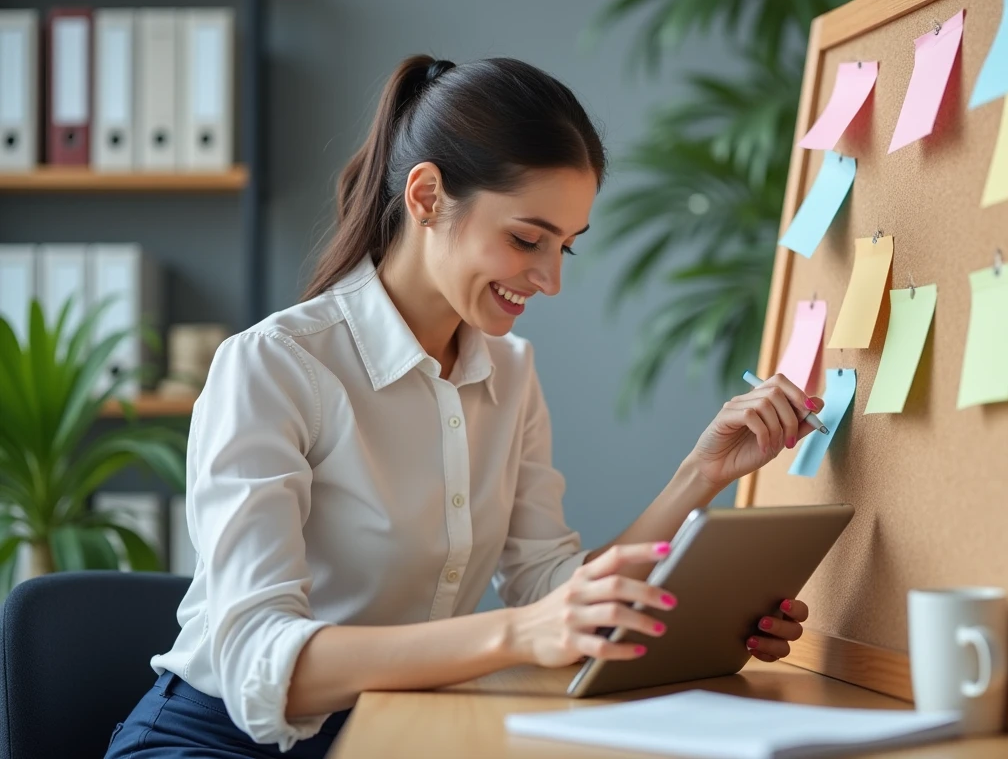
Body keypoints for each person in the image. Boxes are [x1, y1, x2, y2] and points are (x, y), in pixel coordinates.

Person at [105, 55, 825, 759]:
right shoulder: (274, 366)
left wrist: (699, 476)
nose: (549, 281)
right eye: (525, 239)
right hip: (215, 739)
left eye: (566, 249)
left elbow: (551, 588)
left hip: (395, 732)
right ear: (425, 197)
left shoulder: (510, 373)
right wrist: (516, 634)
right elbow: (258, 663)